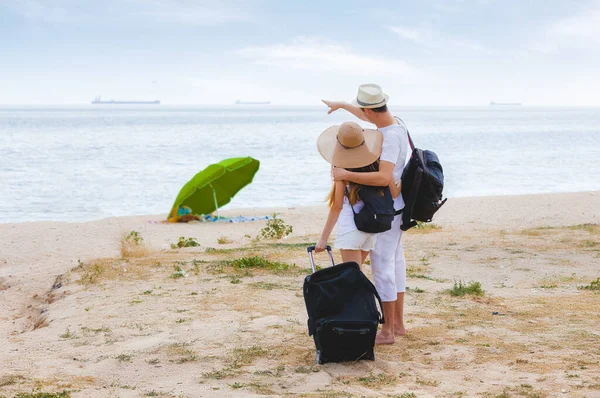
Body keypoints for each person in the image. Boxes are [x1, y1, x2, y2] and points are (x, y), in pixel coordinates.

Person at [322, 83, 411, 345]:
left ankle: (388, 332)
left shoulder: (391, 137)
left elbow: (383, 177)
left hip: (384, 209)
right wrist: (342, 105)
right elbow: (366, 116)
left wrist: (345, 174)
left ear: (370, 112)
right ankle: (398, 325)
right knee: (396, 262)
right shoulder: (396, 123)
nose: (362, 116)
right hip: (396, 205)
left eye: (362, 112)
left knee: (382, 267)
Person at [314, 121, 401, 267]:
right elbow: (394, 192)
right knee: (356, 277)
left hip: (351, 228)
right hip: (371, 227)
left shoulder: (341, 168)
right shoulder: (378, 162)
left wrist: (323, 238)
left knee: (353, 281)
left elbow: (337, 206)